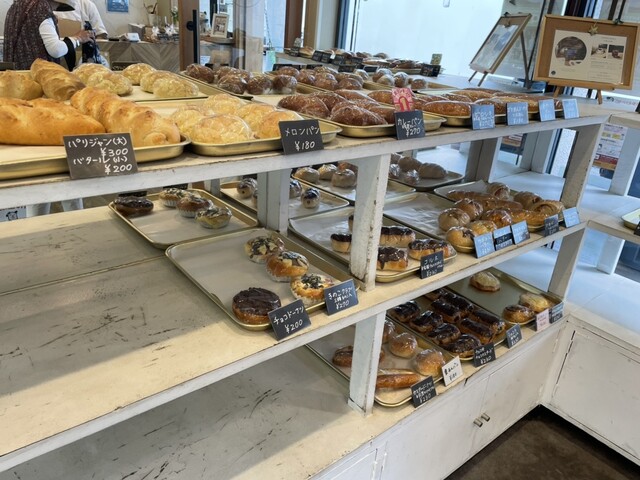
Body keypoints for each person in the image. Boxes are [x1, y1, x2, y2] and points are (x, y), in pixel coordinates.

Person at [4, 0, 94, 70]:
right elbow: (56, 50)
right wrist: (78, 39)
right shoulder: (41, 7)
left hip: (17, 75)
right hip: (36, 76)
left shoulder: (15, 7)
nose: (55, 9)